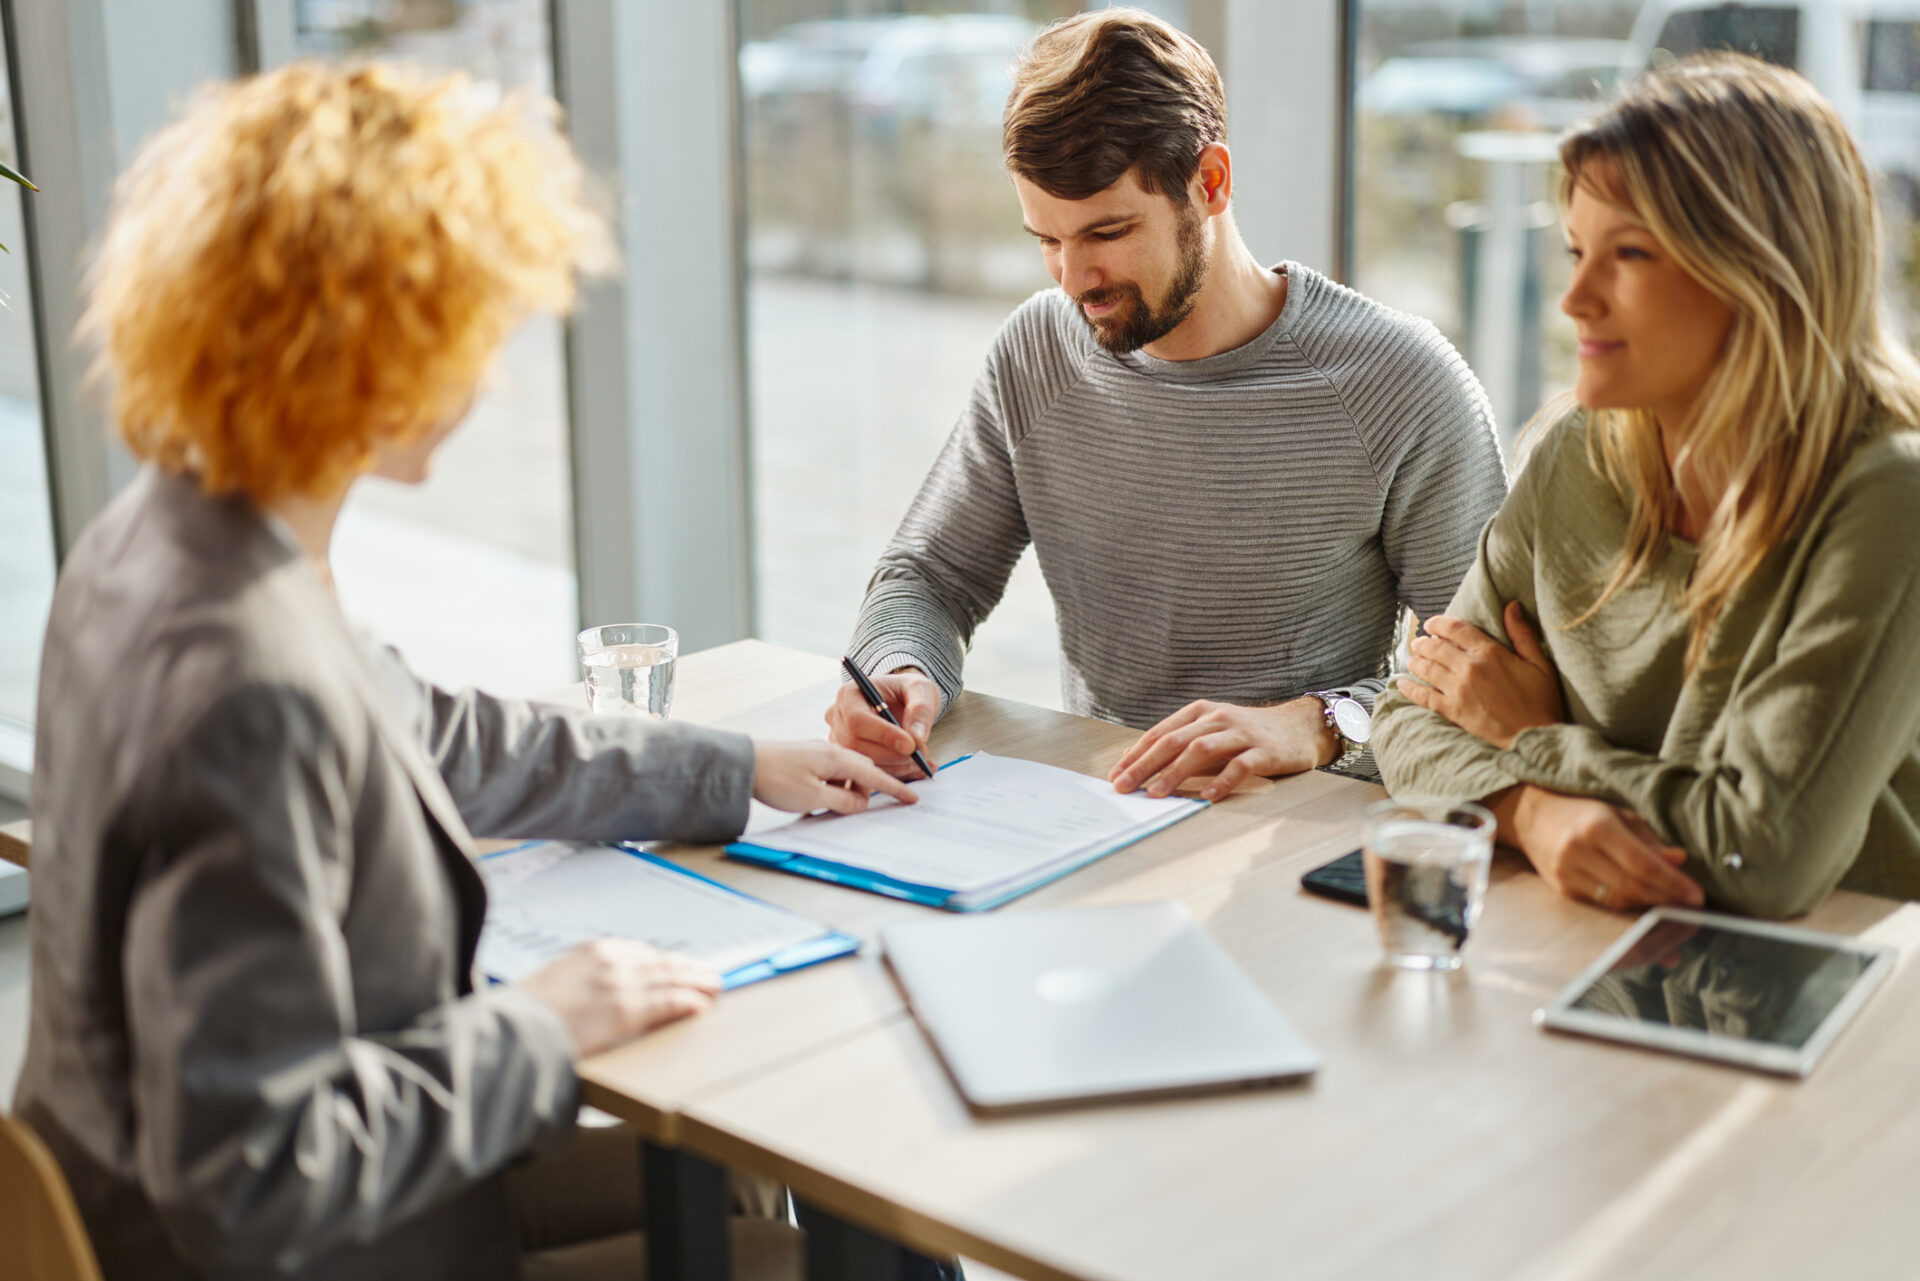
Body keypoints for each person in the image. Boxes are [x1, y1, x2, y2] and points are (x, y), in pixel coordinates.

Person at [12, 63, 915, 1281]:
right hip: (262, 1251)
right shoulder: (249, 683)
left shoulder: (167, 539)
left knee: (748, 1169)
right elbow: (253, 1175)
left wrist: (742, 766)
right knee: (795, 1260)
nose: (489, 374)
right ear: (374, 351)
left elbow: (431, 732)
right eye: (474, 324)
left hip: (160, 1201)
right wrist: (540, 1024)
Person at [825, 8, 1506, 801]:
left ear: (1210, 182)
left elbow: (1492, 681)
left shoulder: (1399, 382)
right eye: (1046, 239)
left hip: (1297, 836)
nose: (1072, 279)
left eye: (1106, 232)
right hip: (1099, 821)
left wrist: (1316, 724)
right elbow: (931, 576)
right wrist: (900, 669)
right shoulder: (1037, 353)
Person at [1371, 54, 1920, 920]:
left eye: (1628, 254)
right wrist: (1533, 812)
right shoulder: (1575, 455)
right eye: (1577, 252)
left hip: (1829, 979)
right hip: (1597, 941)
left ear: (1760, 273)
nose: (1576, 299)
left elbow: (1762, 851)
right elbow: (1409, 722)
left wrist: (1530, 738)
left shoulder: (1887, 497)